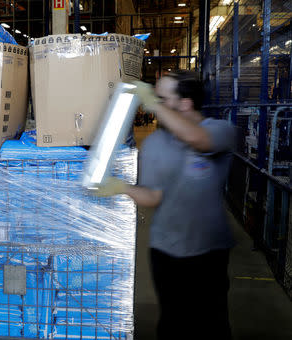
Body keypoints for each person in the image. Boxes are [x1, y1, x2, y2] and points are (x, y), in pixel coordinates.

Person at [94, 70, 236, 340]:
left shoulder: (219, 130)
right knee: (172, 322)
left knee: (212, 323)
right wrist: (120, 187)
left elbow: (198, 140)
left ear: (185, 103)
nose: (154, 104)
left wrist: (151, 102)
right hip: (165, 249)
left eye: (161, 98)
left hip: (208, 250)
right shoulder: (156, 143)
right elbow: (154, 197)